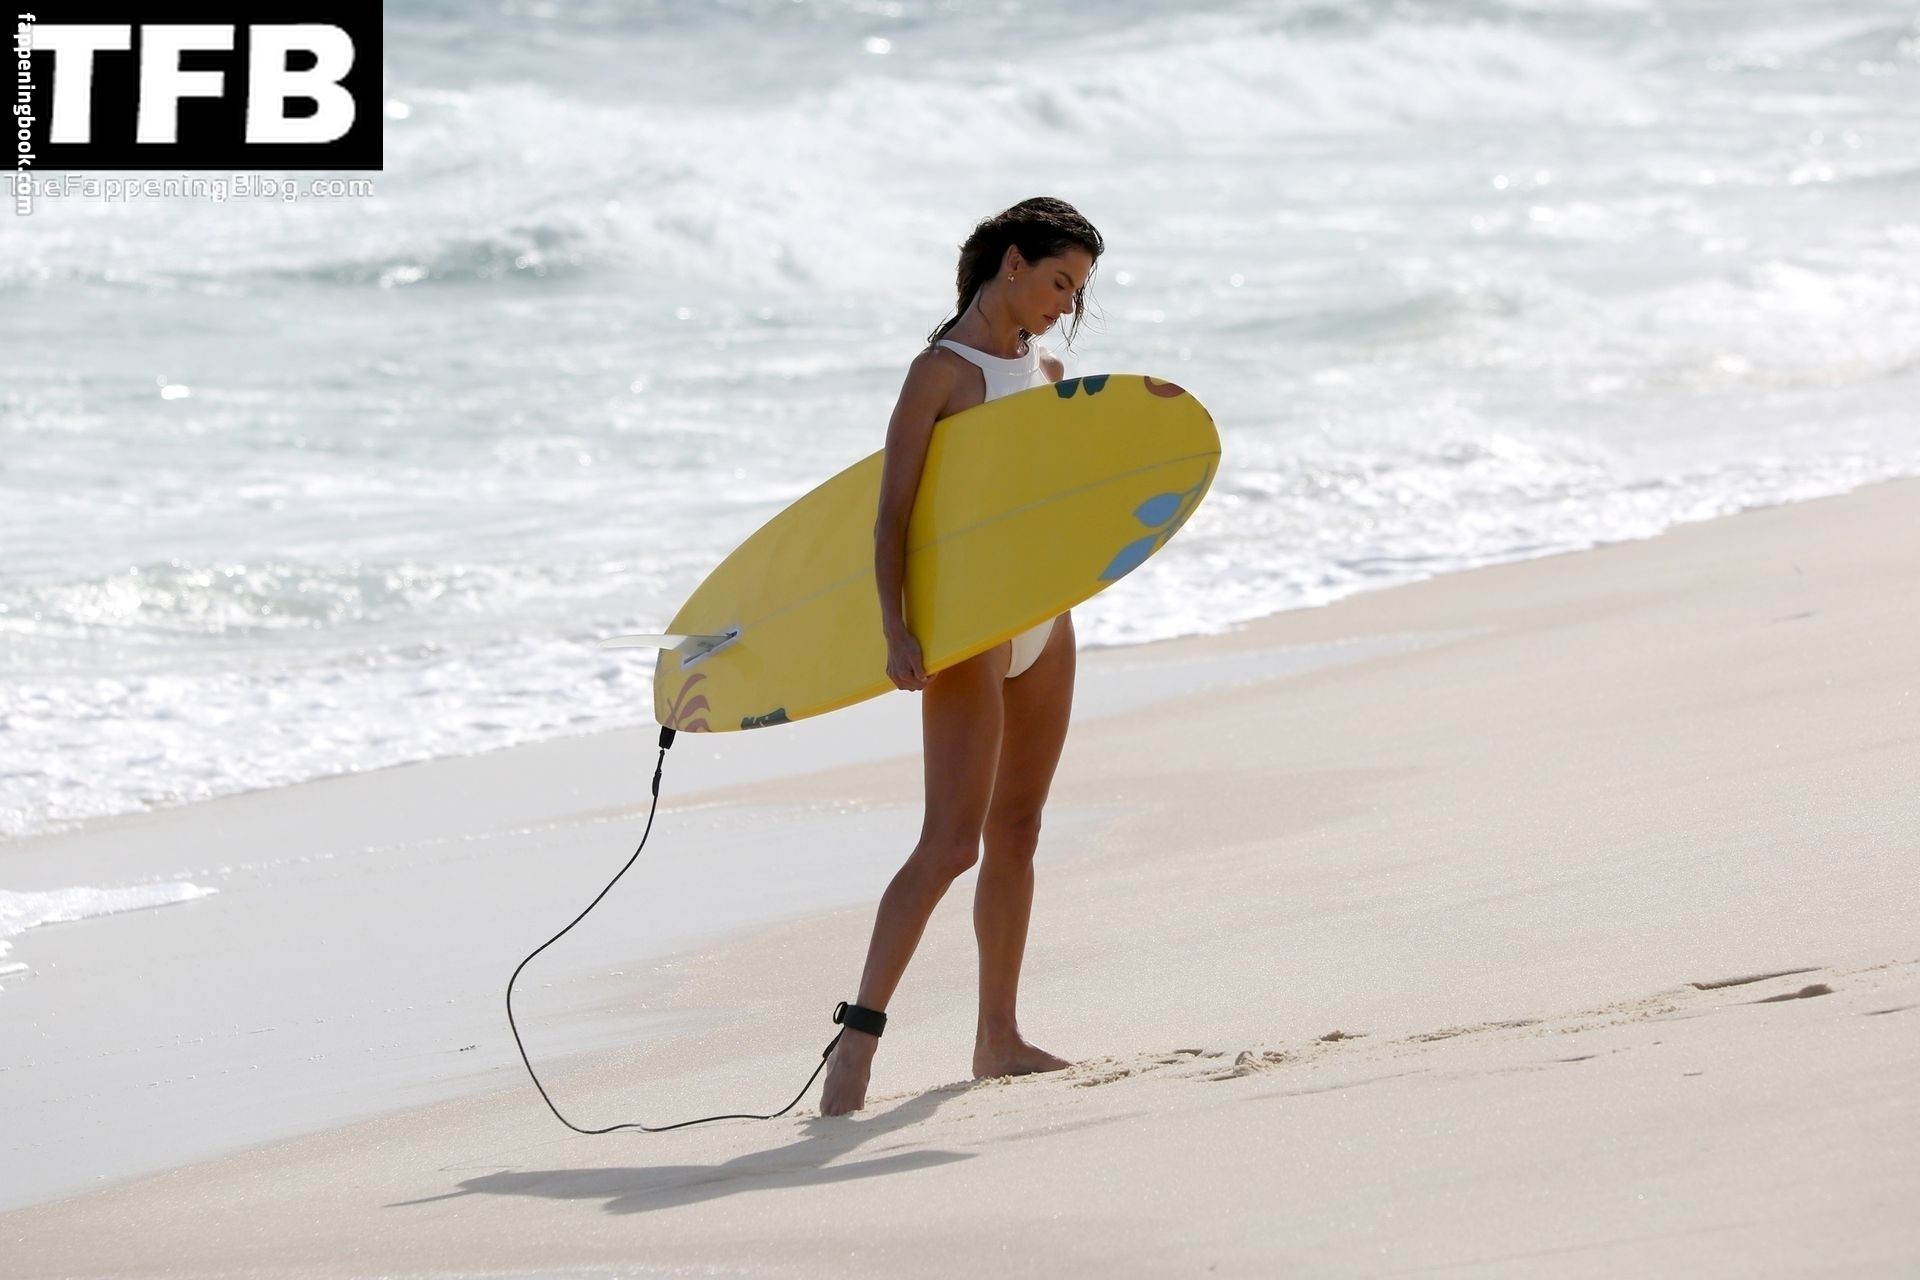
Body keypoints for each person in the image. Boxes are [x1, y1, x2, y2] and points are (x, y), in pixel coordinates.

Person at [820, 196, 1104, 1117]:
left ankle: (998, 1037)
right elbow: (891, 517)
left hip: (1043, 622)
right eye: (1058, 281)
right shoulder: (939, 374)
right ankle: (857, 1042)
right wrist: (895, 630)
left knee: (1018, 832)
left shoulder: (1046, 371)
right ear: (1011, 262)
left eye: (1078, 290)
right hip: (969, 631)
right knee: (950, 844)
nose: (1065, 304)